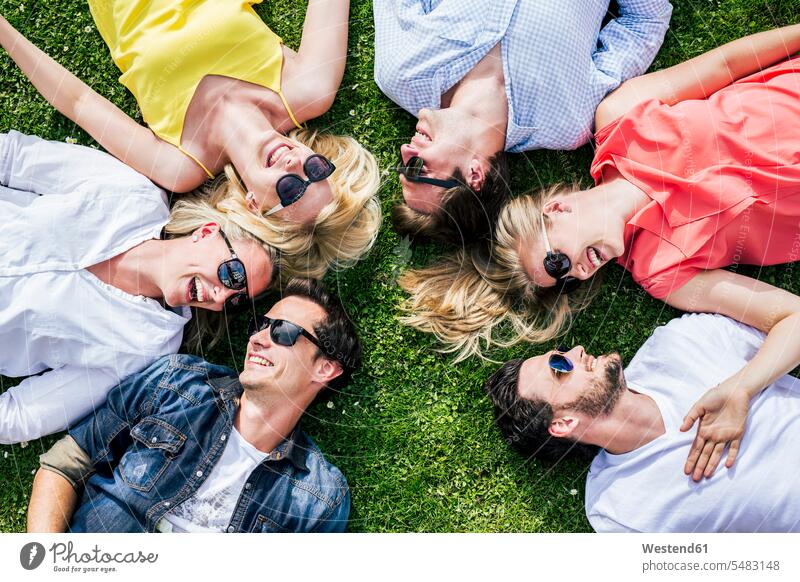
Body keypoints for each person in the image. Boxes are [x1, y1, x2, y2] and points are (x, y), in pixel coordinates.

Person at [401, 24, 800, 477]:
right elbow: (793, 318)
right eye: (565, 279)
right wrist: (742, 389)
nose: (580, 273)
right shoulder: (666, 273)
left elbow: (727, 65)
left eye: (557, 261)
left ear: (556, 209)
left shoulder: (619, 118)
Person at [0, 2, 381, 280]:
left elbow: (77, 102)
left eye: (290, 189)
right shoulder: (309, 88)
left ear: (253, 204)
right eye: (317, 169)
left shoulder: (181, 165)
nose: (296, 165)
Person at [0, 130, 274, 444]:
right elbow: (14, 158)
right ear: (208, 232)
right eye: (233, 275)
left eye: (235, 301)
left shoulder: (145, 347)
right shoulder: (131, 195)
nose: (221, 295)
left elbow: (22, 415)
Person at [26, 279, 360, 533]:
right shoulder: (177, 383)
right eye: (260, 325)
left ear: (324, 368)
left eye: (284, 332)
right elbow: (67, 464)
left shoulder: (317, 498)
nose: (258, 338)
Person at [376, 0, 672, 244]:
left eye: (403, 164)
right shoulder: (567, 118)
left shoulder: (402, 73)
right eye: (416, 168)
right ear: (474, 175)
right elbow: (644, 23)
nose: (406, 150)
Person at [485, 313, 800, 532]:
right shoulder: (620, 513)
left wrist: (741, 387)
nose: (578, 351)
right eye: (559, 366)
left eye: (562, 352)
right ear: (563, 424)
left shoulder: (678, 343)